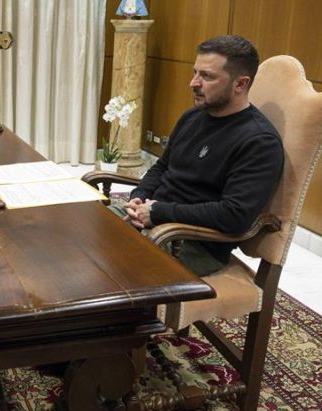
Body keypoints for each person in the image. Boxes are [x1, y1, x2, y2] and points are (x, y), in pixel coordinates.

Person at [119, 35, 284, 275]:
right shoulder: (192, 116)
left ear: (240, 84)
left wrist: (158, 212)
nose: (193, 83)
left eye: (207, 76)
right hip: (154, 223)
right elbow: (162, 167)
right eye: (195, 72)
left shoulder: (260, 142)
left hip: (192, 243)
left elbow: (234, 215)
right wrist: (139, 197)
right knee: (82, 234)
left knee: (105, 266)